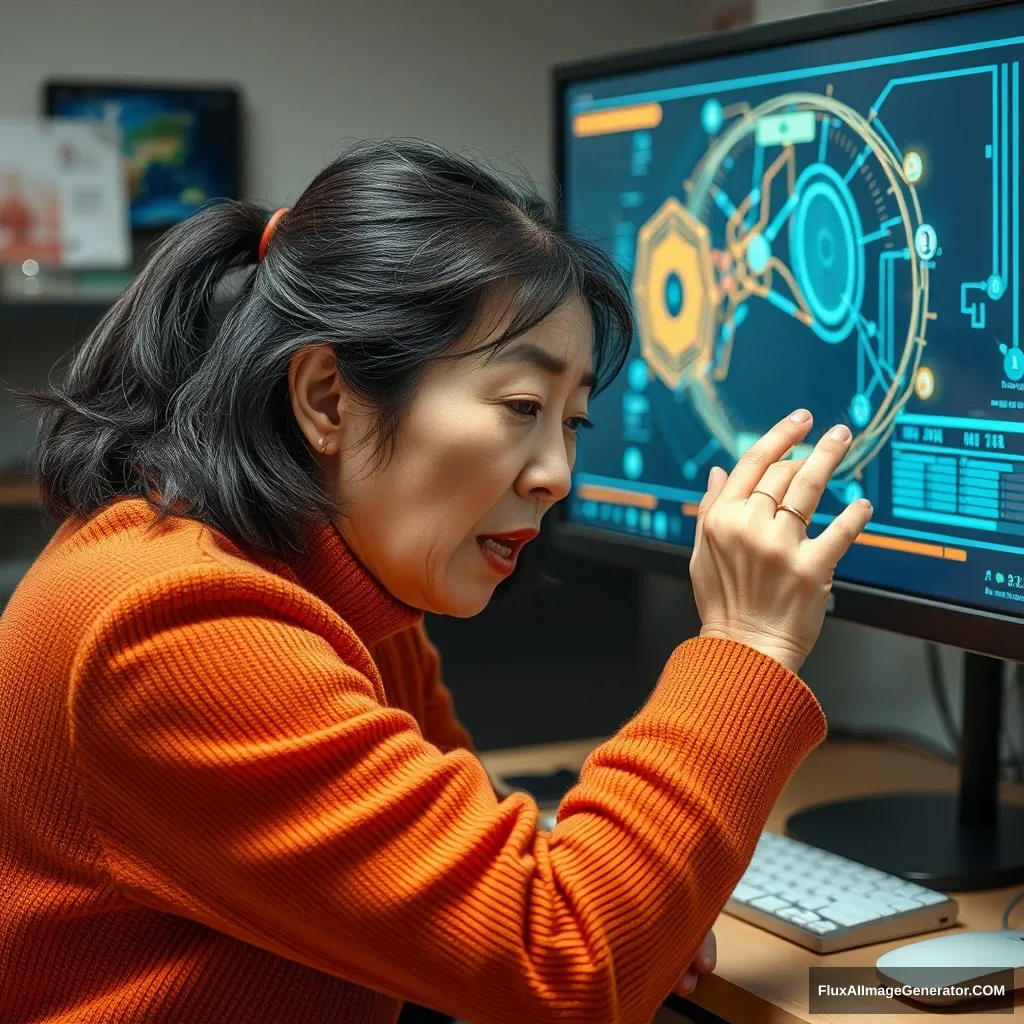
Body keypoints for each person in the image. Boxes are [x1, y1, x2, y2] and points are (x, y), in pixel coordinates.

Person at [0, 138, 872, 1024]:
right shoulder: (174, 628)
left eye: (573, 423)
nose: (557, 475)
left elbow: (497, 891)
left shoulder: (339, 595)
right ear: (329, 400)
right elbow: (565, 961)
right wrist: (745, 647)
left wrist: (646, 899)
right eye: (523, 408)